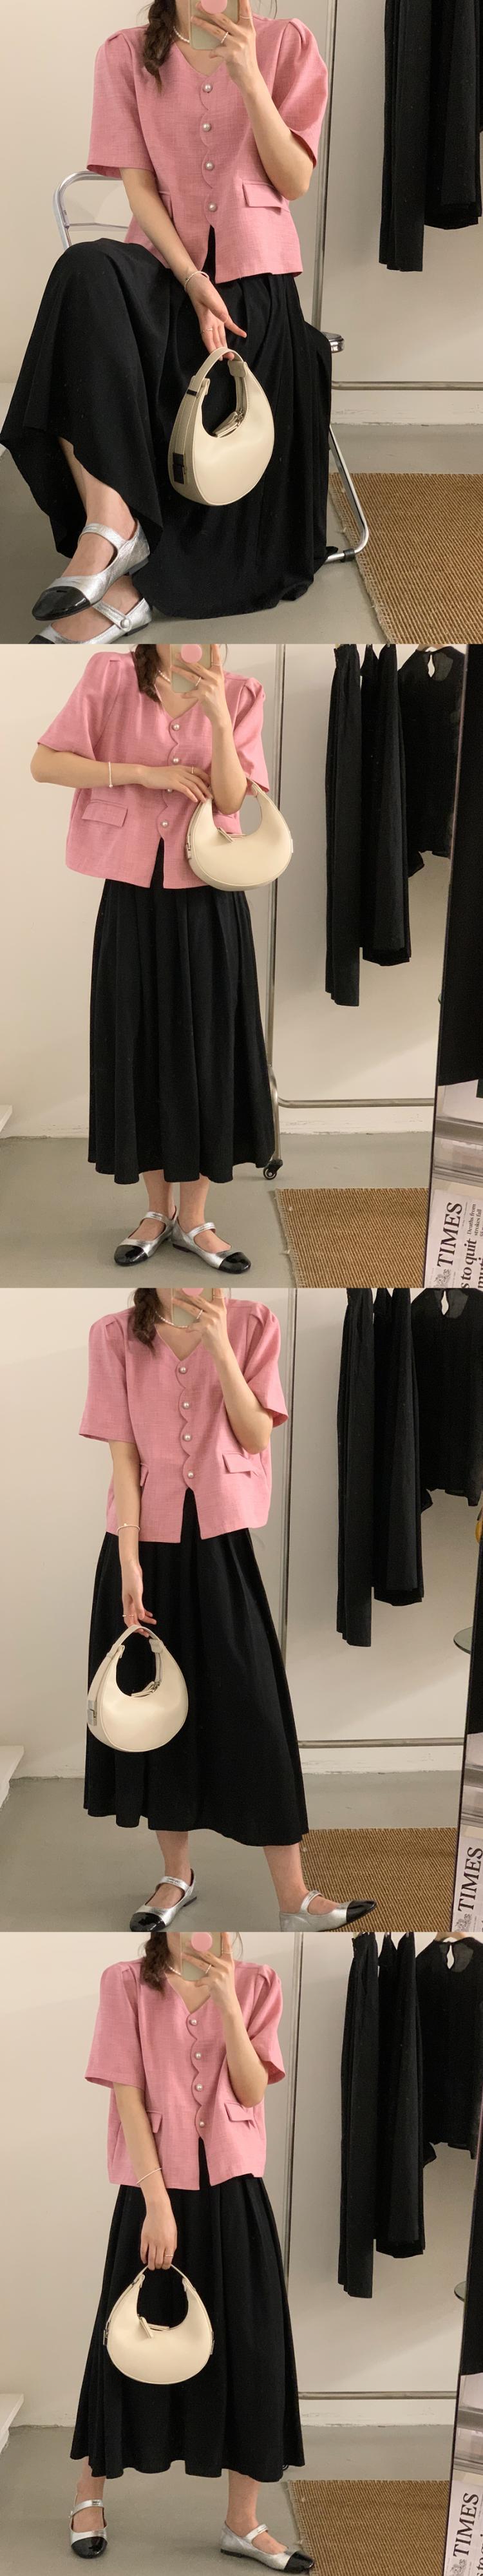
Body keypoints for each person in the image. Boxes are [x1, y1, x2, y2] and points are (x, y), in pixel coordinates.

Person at [3, 1, 332, 635]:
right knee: (85, 270)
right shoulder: (125, 54)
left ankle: (134, 588)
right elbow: (139, 187)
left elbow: (293, 180)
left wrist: (250, 78)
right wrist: (191, 278)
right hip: (167, 273)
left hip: (255, 289)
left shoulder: (287, 43)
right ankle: (111, 525)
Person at [79, 1279, 375, 1932]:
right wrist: (129, 1559)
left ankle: (294, 1897)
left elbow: (256, 1434)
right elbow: (123, 1456)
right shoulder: (114, 1335)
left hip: (220, 1544)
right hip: (142, 1547)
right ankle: (176, 1876)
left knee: (254, 1708)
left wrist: (218, 1343)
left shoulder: (253, 1323)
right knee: (159, 1711)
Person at [70, 1930, 314, 2568]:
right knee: (124, 2341)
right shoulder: (126, 1981)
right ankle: (88, 2496)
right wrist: (158, 2205)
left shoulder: (258, 1982)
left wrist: (229, 2002)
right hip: (154, 2190)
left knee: (253, 2351)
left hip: (235, 2192)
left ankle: (243, 2522)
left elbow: (252, 2090)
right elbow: (127, 2094)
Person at [32, 642, 275, 1272]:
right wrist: (143, 773)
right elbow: (46, 764)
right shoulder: (111, 673)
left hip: (209, 899)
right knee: (137, 1043)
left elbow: (231, 801)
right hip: (132, 896)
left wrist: (218, 715)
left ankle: (195, 1219)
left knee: (208, 1050)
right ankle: (155, 1211)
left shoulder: (242, 692)